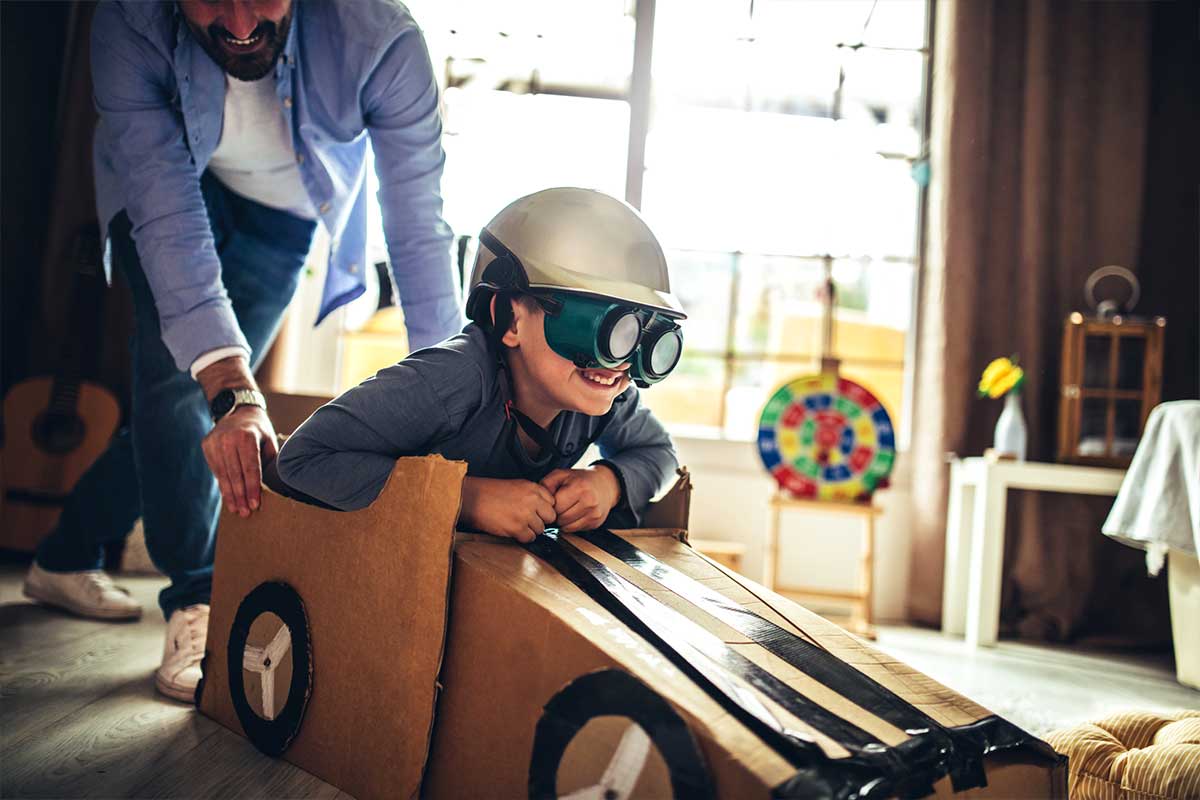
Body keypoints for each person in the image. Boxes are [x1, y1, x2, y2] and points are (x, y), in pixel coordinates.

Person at [22, 0, 462, 703]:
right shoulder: (128, 21)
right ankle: (197, 597)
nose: (235, 24)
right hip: (169, 192)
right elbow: (167, 215)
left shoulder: (382, 38)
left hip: (283, 218)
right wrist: (232, 384)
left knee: (194, 416)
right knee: (186, 385)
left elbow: (417, 228)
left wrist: (453, 392)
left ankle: (64, 554)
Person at [276, 188, 687, 540]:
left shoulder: (605, 394)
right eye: (602, 329)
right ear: (508, 319)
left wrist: (609, 483)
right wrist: (466, 499)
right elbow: (305, 458)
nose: (618, 367)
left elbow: (658, 451)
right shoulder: (448, 382)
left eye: (639, 335)